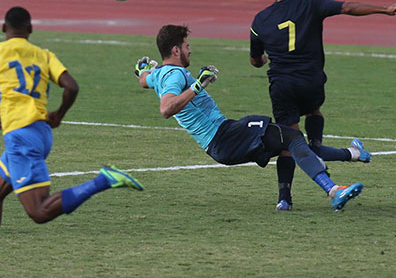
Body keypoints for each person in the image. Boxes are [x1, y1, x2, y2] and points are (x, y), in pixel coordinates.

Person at [0, 7, 143, 278]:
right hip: (40, 133)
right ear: (30, 30)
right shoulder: (43, 55)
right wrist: (59, 115)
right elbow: (71, 86)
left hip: (19, 139)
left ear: (3, 28)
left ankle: (104, 180)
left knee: (39, 212)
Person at [136, 24, 364, 212]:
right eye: (187, 46)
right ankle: (334, 191)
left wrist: (142, 70)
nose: (190, 51)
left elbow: (144, 80)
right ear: (175, 50)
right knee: (293, 136)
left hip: (220, 143)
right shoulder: (174, 75)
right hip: (223, 136)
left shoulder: (159, 74)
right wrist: (198, 84)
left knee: (285, 141)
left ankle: (286, 200)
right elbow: (166, 109)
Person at [249, 0, 395, 210]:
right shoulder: (312, 3)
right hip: (311, 82)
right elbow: (347, 7)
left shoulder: (260, 19)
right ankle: (334, 153)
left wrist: (262, 60)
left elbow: (256, 60)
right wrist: (385, 9)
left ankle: (296, 196)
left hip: (282, 86)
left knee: (291, 141)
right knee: (313, 115)